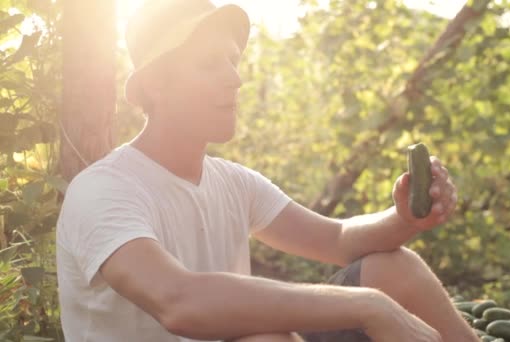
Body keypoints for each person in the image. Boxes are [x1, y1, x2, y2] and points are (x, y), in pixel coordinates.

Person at [55, 1, 479, 341]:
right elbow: (178, 302)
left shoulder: (233, 182)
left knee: (393, 268)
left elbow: (337, 238)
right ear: (154, 84)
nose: (234, 79)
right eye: (209, 64)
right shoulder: (104, 190)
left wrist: (404, 218)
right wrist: (370, 306)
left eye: (233, 60)